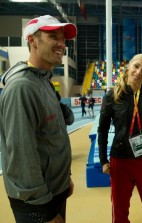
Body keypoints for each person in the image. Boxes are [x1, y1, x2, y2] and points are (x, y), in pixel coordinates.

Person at [0, 15, 77, 223]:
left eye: (63, 39)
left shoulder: (43, 80)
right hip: (37, 201)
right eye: (53, 37)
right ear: (32, 41)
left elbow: (52, 137)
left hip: (54, 187)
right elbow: (22, 155)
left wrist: (64, 177)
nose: (62, 44)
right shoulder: (22, 87)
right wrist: (44, 210)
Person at [97, 54, 142, 223]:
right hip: (120, 161)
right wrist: (103, 160)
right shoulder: (112, 95)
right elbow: (102, 130)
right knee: (120, 212)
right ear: (128, 66)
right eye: (136, 66)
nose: (139, 72)